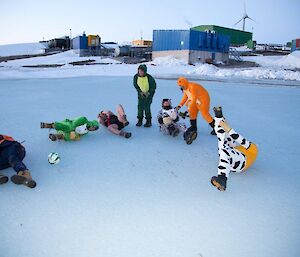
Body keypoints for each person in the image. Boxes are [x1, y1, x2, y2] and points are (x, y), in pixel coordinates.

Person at [211, 107, 258, 191]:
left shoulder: (253, 148)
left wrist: (228, 129)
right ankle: (219, 117)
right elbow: (230, 136)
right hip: (236, 159)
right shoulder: (241, 149)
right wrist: (224, 124)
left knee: (224, 150)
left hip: (242, 162)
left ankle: (222, 178)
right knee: (223, 139)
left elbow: (239, 139)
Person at [176, 77, 215, 144]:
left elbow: (194, 98)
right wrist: (179, 105)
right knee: (192, 113)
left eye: (181, 85)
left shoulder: (192, 87)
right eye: (179, 86)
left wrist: (188, 109)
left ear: (185, 83)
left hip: (203, 100)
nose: (181, 87)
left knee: (205, 115)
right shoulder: (185, 89)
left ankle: (215, 128)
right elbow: (185, 97)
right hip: (195, 101)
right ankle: (194, 127)